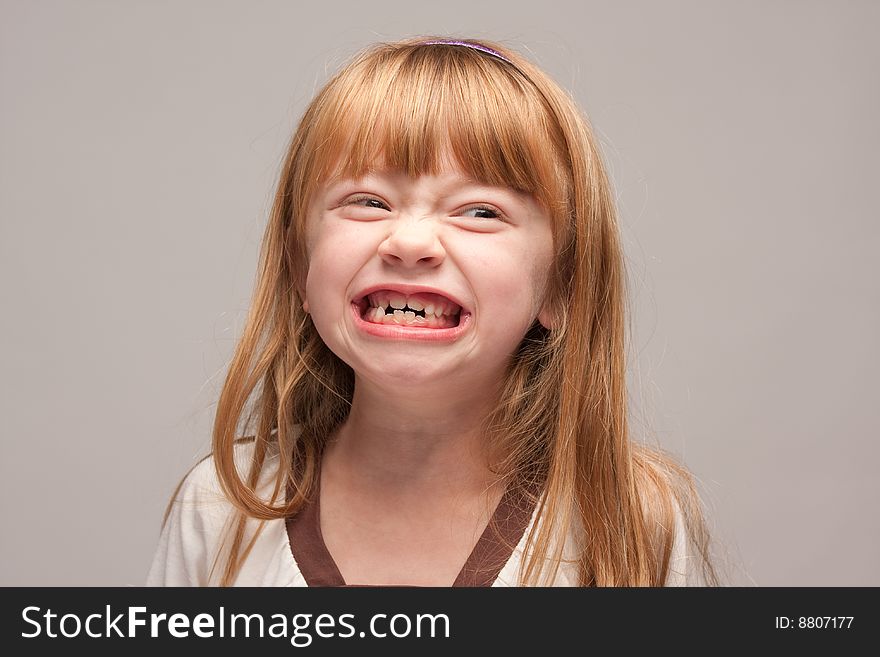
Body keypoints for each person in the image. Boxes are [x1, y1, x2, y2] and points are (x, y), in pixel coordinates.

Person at [147, 36, 718, 587]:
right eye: (368, 201)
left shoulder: (626, 523)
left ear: (562, 287)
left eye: (480, 211)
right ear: (301, 268)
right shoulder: (221, 508)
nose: (411, 240)